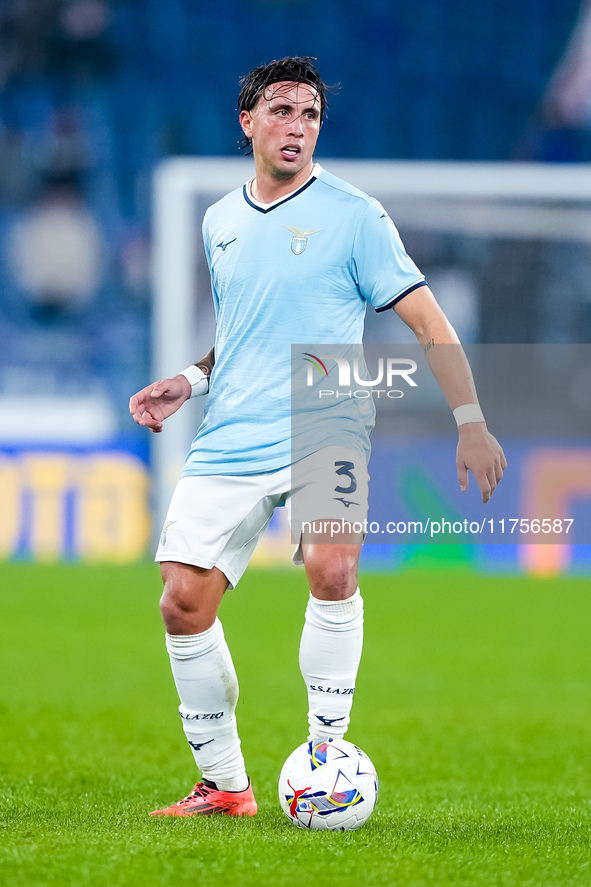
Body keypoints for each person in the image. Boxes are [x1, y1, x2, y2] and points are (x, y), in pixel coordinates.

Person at [129, 56, 506, 818]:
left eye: (308, 114)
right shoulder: (220, 221)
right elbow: (242, 333)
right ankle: (226, 786)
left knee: (333, 568)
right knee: (181, 602)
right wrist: (191, 379)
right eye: (281, 111)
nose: (296, 126)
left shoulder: (355, 216)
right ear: (248, 122)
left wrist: (471, 423)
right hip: (232, 426)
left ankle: (326, 753)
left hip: (326, 410)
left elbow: (429, 323)